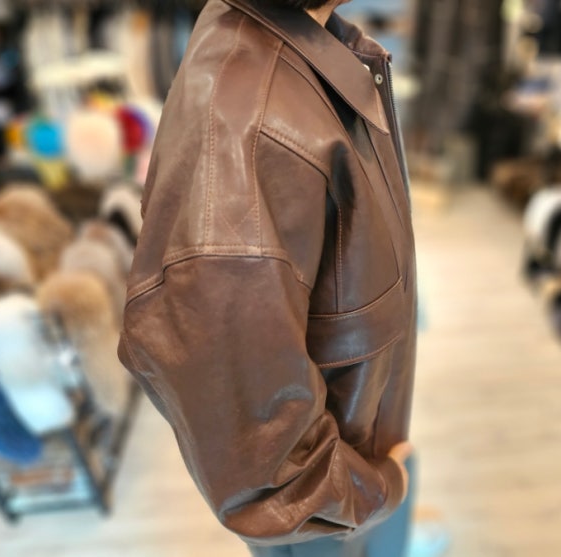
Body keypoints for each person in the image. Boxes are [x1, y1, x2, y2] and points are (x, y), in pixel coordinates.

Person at [118, 0, 419, 555]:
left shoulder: (300, 48)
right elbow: (272, 479)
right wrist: (384, 488)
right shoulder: (253, 132)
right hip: (327, 514)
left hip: (348, 476)